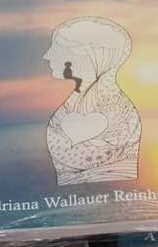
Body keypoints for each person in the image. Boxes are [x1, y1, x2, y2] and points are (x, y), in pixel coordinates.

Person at [43, 16, 141, 186]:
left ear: (84, 57)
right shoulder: (73, 105)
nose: (47, 56)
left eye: (57, 49)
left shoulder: (119, 114)